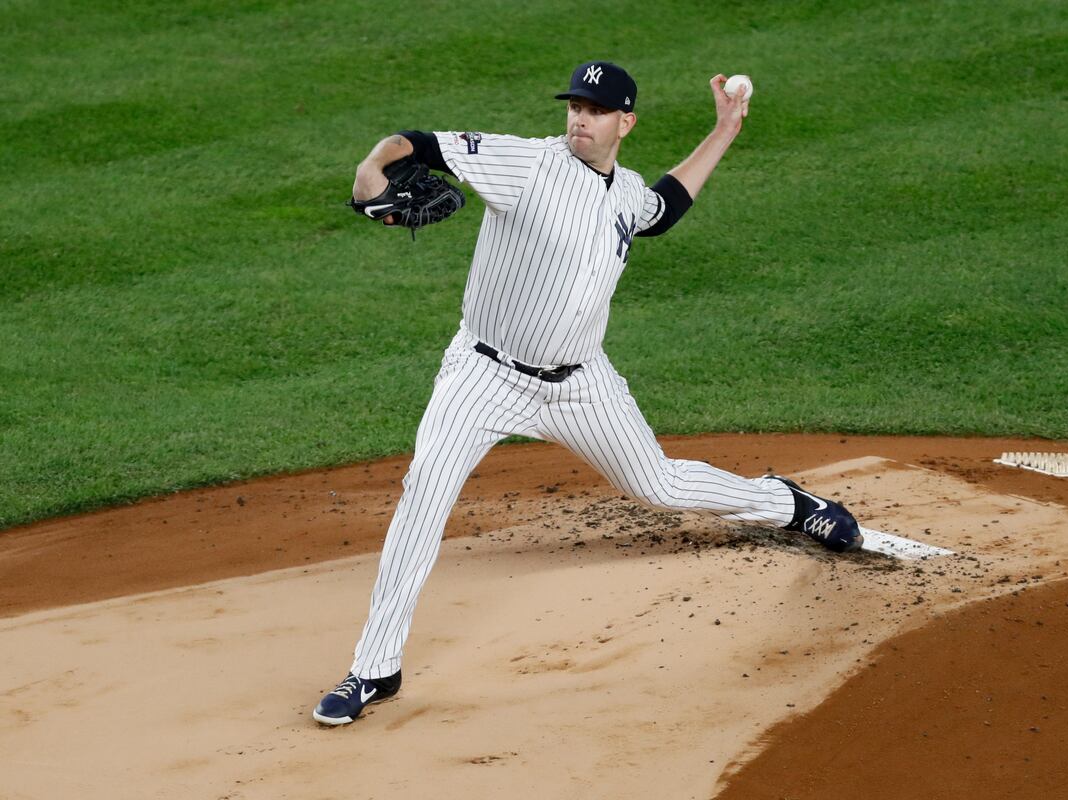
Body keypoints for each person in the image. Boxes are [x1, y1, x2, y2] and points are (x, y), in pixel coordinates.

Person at [312, 61, 863, 726]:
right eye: (575, 104)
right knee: (424, 493)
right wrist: (372, 169)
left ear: (624, 122)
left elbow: (662, 210)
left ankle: (786, 503)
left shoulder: (625, 191)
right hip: (485, 375)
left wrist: (723, 132)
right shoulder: (527, 164)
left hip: (581, 381)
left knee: (659, 483)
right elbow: (417, 144)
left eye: (597, 109)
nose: (580, 117)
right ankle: (375, 667)